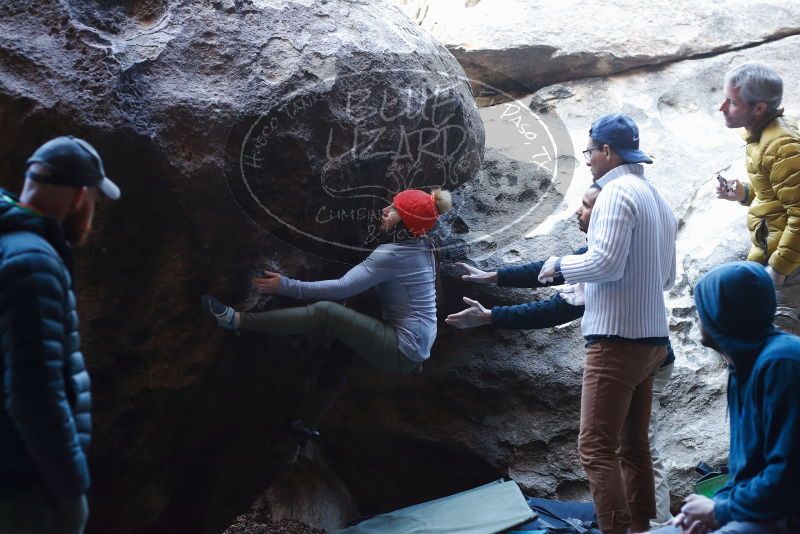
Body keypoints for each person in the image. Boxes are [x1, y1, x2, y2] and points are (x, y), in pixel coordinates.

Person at [447, 184, 676, 526]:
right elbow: (553, 271)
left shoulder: (609, 262)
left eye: (585, 207)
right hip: (648, 354)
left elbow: (556, 309)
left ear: (607, 217)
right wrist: (494, 278)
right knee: (633, 447)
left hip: (638, 359)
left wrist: (491, 316)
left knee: (632, 446)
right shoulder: (604, 253)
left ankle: (656, 526)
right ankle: (648, 523)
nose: (577, 212)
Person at [202, 188, 452, 439]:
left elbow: (342, 288)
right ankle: (307, 428)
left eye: (395, 209)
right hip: (417, 343)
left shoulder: (393, 255)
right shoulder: (423, 246)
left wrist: (286, 286)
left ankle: (236, 321)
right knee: (342, 350)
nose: (385, 210)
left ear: (407, 222)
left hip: (403, 348)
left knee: (326, 312)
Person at [535, 113, 678, 534]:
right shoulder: (657, 197)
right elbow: (666, 277)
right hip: (653, 339)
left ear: (607, 151)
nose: (589, 161)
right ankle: (642, 527)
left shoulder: (615, 194)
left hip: (617, 340)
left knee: (595, 447)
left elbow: (604, 263)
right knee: (635, 448)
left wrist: (558, 265)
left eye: (590, 152)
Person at [0, 136, 121, 533]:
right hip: (21, 485)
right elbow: (35, 393)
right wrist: (71, 491)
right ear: (77, 198)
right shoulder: (34, 262)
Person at [653, 262, 800, 534]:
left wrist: (720, 510)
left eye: (704, 307)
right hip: (758, 509)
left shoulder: (783, 362)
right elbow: (749, 470)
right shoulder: (744, 364)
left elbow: (790, 476)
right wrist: (716, 504)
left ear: (725, 312)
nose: (699, 316)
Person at [715, 63, 800, 334]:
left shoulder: (782, 146)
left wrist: (778, 270)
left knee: (779, 342)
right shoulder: (763, 135)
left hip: (791, 269)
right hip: (772, 253)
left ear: (759, 108)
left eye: (732, 102)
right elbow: (779, 198)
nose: (722, 107)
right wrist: (745, 194)